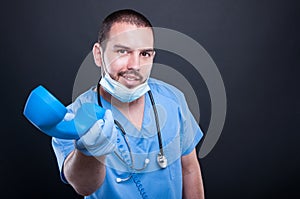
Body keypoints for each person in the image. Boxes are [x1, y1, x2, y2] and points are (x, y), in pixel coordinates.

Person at [52, 9, 205, 199]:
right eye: (123, 51)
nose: (135, 65)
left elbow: (189, 170)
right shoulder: (72, 118)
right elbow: (84, 187)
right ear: (99, 55)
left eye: (145, 54)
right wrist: (88, 151)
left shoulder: (173, 99)